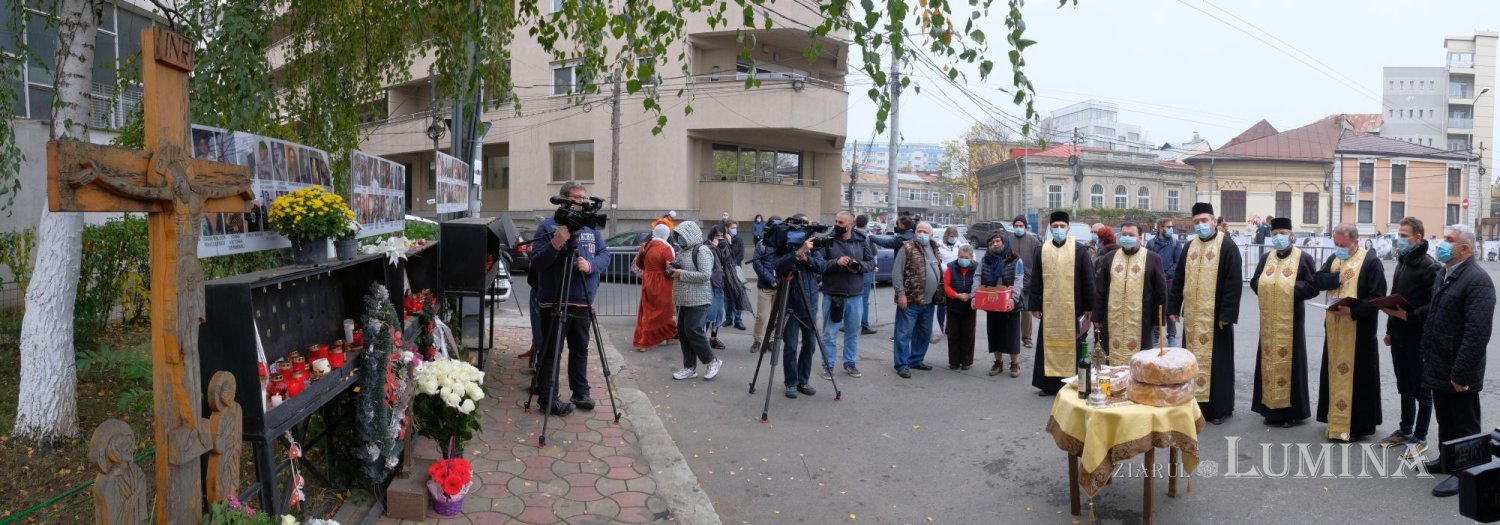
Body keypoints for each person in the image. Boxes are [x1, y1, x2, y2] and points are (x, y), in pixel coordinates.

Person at [1420, 224, 1495, 497]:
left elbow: (1477, 334)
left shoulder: (1477, 281)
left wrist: (1461, 373)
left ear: (1464, 248)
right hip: (1440, 361)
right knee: (1446, 417)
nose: (1441, 243)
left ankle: (1465, 474)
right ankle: (1447, 460)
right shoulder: (1445, 273)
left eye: (1448, 240)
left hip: (1460, 367)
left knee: (1464, 422)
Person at [530, 182, 612, 416]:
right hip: (554, 300)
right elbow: (536, 263)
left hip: (582, 299)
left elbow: (605, 255)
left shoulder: (590, 227)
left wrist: (590, 265)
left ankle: (580, 391)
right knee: (552, 351)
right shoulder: (548, 226)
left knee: (581, 348)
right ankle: (548, 398)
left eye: (583, 198)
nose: (581, 202)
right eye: (576, 198)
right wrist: (555, 243)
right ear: (563, 199)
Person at [1311, 223, 1387, 442]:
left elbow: (1377, 297)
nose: (1338, 248)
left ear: (1355, 242)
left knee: (1359, 380)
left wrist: (1352, 310)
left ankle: (1358, 426)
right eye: (1336, 244)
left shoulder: (1371, 262)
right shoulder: (1335, 260)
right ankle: (1334, 417)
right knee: (1333, 375)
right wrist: (1336, 278)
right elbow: (1318, 279)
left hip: (1359, 333)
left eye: (1342, 245)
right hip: (1335, 330)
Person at [1169, 202, 1242, 424]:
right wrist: (1174, 307)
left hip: (1216, 319)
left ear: (1213, 221)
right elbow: (1179, 278)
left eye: (1204, 221)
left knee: (1217, 365)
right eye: (1196, 222)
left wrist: (1227, 315)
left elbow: (1233, 283)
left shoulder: (1227, 246)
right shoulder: (1189, 247)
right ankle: (1193, 406)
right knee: (1192, 362)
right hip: (1193, 316)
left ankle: (1218, 410)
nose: (1200, 225)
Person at [1248, 217, 1317, 428]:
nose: (1279, 237)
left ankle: (1291, 413)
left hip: (1291, 321)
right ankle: (1269, 408)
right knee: (1268, 362)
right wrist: (1269, 287)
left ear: (1292, 235)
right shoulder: (1266, 257)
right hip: (1269, 322)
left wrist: (1286, 288)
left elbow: (1312, 286)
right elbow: (1254, 281)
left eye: (1283, 233)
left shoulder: (1303, 258)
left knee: (1292, 362)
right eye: (1275, 233)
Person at [1379, 217, 1439, 456]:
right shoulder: (1402, 262)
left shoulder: (1429, 266)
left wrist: (1409, 316)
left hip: (1419, 338)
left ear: (1418, 238)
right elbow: (1395, 299)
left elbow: (1434, 306)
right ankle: (1404, 430)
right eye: (1399, 234)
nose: (1399, 239)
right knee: (1404, 385)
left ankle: (1420, 437)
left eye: (1404, 236)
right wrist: (1389, 331)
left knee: (1422, 390)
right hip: (1400, 337)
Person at [1026, 211, 1095, 396]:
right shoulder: (1042, 250)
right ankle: (1048, 385)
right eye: (1055, 226)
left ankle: (1073, 384)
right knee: (1048, 346)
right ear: (1050, 228)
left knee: (1074, 347)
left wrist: (1089, 308)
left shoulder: (1079, 250)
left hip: (1075, 308)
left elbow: (1088, 280)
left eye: (1062, 226)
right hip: (1049, 309)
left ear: (1068, 228)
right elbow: (1036, 280)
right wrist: (1034, 306)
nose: (1058, 229)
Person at [1092, 222, 1166, 364]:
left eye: (1131, 235)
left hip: (1142, 320)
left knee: (1141, 361)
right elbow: (1101, 289)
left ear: (1140, 236)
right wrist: (1098, 317)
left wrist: (1158, 321)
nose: (1127, 237)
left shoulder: (1152, 258)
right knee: (1110, 358)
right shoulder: (1110, 258)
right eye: (1124, 234)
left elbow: (1160, 291)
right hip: (1113, 319)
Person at [820, 211, 875, 379]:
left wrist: (859, 266)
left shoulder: (862, 240)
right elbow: (819, 264)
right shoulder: (827, 240)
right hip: (833, 294)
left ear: (850, 225)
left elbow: (871, 262)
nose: (837, 224)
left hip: (855, 295)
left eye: (841, 222)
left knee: (852, 331)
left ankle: (850, 362)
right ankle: (828, 365)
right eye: (836, 221)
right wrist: (835, 263)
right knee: (830, 333)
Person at [772, 234, 827, 398]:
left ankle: (803, 381)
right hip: (791, 305)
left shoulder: (813, 249)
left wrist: (806, 259)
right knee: (790, 346)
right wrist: (796, 254)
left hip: (810, 305)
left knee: (810, 345)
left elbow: (822, 267)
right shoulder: (785, 246)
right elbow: (777, 266)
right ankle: (791, 382)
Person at [668, 221, 724, 380]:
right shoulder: (683, 251)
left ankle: (712, 361)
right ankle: (689, 367)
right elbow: (682, 269)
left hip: (698, 300)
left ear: (690, 235)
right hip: (683, 300)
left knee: (694, 331)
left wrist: (681, 273)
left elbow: (706, 275)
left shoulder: (702, 250)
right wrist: (672, 268)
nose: (679, 239)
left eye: (682, 236)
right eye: (678, 236)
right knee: (684, 333)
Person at [892, 222, 943, 378]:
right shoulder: (906, 247)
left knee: (924, 334)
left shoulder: (934, 248)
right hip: (910, 300)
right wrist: (901, 294)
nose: (922, 233)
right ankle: (902, 364)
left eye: (925, 231)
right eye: (919, 231)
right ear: (914, 233)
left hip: (929, 302)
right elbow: (896, 273)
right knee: (903, 334)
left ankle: (916, 359)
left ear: (931, 234)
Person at [632, 224, 678, 351]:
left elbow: (639, 263)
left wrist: (649, 271)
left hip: (648, 279)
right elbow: (670, 267)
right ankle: (653, 339)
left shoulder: (646, 246)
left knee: (648, 310)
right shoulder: (667, 248)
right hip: (663, 281)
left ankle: (668, 335)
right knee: (664, 310)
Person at [982, 233, 1022, 377]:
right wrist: (975, 296)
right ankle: (998, 363)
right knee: (994, 333)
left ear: (1004, 242)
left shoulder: (1016, 259)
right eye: (992, 242)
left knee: (1012, 334)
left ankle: (1015, 364)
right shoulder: (986, 259)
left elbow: (1019, 280)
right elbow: (978, 277)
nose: (995, 244)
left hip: (1010, 303)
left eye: (998, 241)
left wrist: (1014, 299)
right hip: (992, 302)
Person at [943, 245, 980, 370]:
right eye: (961, 257)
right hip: (953, 305)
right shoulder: (951, 267)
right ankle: (953, 361)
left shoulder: (976, 267)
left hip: (970, 307)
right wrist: (957, 295)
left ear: (971, 258)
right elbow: (946, 286)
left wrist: (971, 295)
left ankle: (966, 361)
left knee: (968, 335)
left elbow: (980, 285)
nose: (963, 259)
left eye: (966, 257)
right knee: (953, 335)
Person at [750, 216, 783, 355]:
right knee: (762, 316)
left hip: (781, 286)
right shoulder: (762, 244)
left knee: (776, 317)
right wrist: (771, 280)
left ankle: (770, 340)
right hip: (765, 286)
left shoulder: (784, 244)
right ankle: (757, 340)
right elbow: (757, 264)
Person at [1146, 218, 1181, 347]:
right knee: (1156, 307)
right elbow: (1147, 261)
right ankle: (1156, 333)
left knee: (1170, 309)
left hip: (1170, 281)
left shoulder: (1175, 243)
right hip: (1155, 282)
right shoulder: (1150, 244)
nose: (1171, 229)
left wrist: (1169, 273)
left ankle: (1171, 336)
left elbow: (1179, 263)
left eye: (1171, 226)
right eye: (1168, 226)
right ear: (1161, 228)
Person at [1009, 216, 1041, 349]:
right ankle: (1011, 336)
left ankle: (1027, 338)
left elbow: (1039, 260)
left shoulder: (1033, 241)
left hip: (1028, 280)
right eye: (1016, 225)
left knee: (1026, 310)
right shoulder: (1008, 240)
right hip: (1011, 280)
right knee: (1011, 309)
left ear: (1025, 227)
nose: (1018, 227)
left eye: (1021, 225)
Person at [933, 226, 964, 343]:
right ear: (946, 236)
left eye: (954, 236)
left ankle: (949, 328)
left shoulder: (960, 246)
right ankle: (940, 327)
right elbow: (938, 261)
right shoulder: (939, 246)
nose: (953, 238)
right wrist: (948, 269)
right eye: (951, 236)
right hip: (943, 277)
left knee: (953, 303)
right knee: (942, 304)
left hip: (957, 278)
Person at [704, 225, 730, 350]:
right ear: (711, 236)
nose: (720, 238)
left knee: (719, 313)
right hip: (709, 285)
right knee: (710, 313)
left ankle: (713, 339)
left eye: (722, 236)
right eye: (717, 236)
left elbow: (729, 262)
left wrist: (727, 246)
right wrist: (714, 247)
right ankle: (701, 340)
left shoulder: (724, 247)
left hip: (720, 285)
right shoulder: (706, 247)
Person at [723, 220, 748, 330]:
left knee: (738, 295)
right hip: (725, 273)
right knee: (727, 297)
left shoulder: (739, 240)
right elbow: (723, 255)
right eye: (732, 227)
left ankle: (738, 320)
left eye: (735, 227)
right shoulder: (722, 240)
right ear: (727, 228)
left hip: (736, 271)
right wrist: (728, 243)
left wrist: (732, 264)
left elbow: (740, 255)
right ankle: (728, 319)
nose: (735, 229)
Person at [855, 214, 878, 335]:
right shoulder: (866, 236)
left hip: (852, 269)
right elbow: (874, 252)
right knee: (864, 298)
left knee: (850, 297)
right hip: (865, 270)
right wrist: (874, 265)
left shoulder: (850, 234)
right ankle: (864, 325)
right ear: (866, 223)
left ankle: (848, 323)